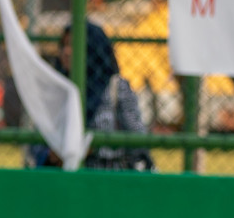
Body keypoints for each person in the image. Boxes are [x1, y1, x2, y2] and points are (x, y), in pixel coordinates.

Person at [31, 22, 153, 171]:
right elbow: (36, 140)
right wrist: (50, 155)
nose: (67, 51)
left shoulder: (115, 87)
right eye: (64, 45)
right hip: (62, 181)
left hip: (105, 180)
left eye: (74, 45)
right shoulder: (55, 90)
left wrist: (91, 147)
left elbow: (137, 141)